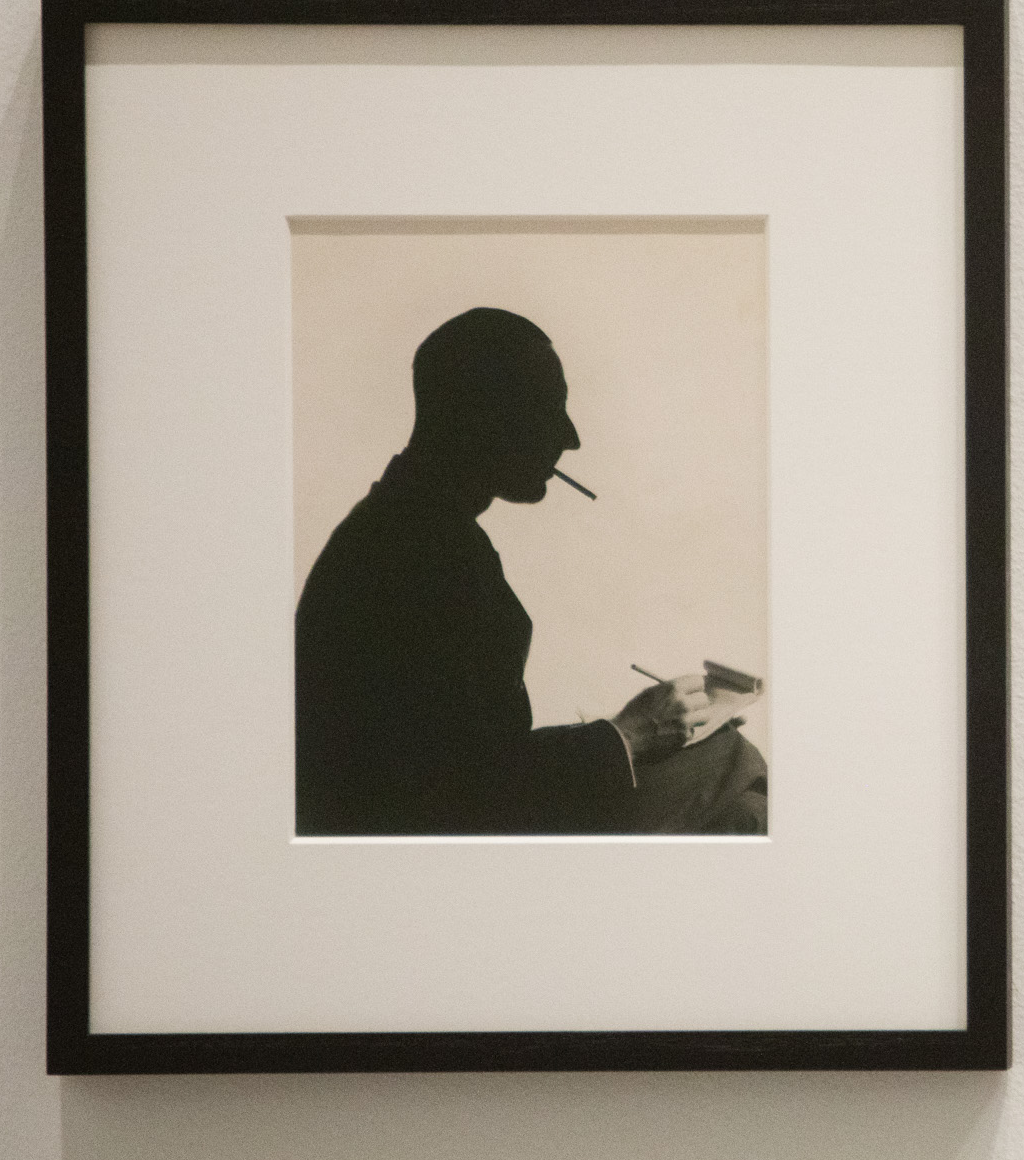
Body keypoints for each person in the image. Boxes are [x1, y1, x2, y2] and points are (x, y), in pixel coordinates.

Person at [295, 306, 755, 836]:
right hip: (431, 861)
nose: (570, 436)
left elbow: (454, 756)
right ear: (484, 417)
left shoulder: (400, 529)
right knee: (733, 767)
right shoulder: (423, 555)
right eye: (549, 409)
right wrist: (625, 737)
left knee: (730, 777)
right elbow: (461, 792)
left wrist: (620, 738)